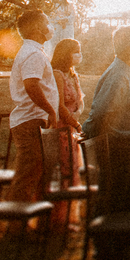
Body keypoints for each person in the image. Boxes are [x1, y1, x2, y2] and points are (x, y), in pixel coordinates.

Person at [83, 25, 130, 213]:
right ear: (129, 46)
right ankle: (111, 241)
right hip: (119, 149)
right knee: (117, 201)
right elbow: (100, 112)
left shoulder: (129, 72)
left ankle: (127, 240)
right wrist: (89, 133)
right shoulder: (118, 76)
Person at [6, 9, 58, 201]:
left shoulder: (34, 51)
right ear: (37, 27)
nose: (50, 27)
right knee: (26, 176)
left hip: (33, 120)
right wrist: (50, 110)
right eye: (47, 22)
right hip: (30, 121)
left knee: (34, 174)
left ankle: (27, 222)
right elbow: (31, 85)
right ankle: (15, 227)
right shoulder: (33, 54)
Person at [50, 38, 85, 193]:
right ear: (66, 54)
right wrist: (75, 123)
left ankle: (69, 211)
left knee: (73, 166)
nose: (79, 55)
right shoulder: (57, 74)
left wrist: (77, 114)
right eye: (76, 52)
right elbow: (59, 106)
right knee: (63, 167)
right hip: (61, 126)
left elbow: (80, 100)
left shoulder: (73, 75)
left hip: (72, 125)